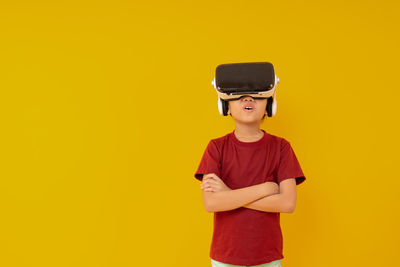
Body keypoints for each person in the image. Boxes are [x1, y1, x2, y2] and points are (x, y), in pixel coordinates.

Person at [194, 94, 306, 267]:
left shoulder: (282, 147)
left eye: (257, 96)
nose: (248, 100)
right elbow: (212, 203)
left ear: (269, 105)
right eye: (239, 96)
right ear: (226, 106)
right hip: (225, 257)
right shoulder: (215, 147)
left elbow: (287, 203)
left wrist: (228, 195)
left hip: (268, 257)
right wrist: (265, 188)